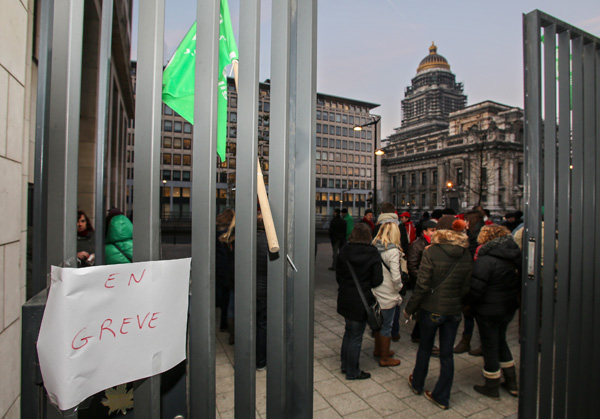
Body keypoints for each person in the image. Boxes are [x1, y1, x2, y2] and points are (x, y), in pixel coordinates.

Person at [403, 217, 473, 410]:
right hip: (453, 310)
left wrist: (410, 309)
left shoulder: (432, 252)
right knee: (447, 354)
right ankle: (442, 396)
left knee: (425, 348)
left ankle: (417, 383)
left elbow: (422, 285)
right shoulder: (466, 254)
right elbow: (466, 287)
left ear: (439, 231)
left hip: (431, 308)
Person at [468, 225, 521, 399]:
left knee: (490, 345)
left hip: (488, 309)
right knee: (501, 340)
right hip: (508, 307)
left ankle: (492, 384)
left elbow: (476, 289)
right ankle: (512, 382)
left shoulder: (486, 260)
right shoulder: (514, 255)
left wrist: (470, 304)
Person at [336, 223, 384, 380]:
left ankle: (345, 364)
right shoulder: (372, 253)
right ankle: (352, 371)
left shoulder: (344, 250)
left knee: (348, 332)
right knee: (356, 337)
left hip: (345, 297)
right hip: (362, 300)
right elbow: (377, 280)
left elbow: (338, 276)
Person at [371, 218, 403, 367]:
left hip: (376, 290)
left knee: (378, 323)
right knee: (387, 325)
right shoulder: (393, 251)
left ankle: (378, 350)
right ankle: (384, 357)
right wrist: (399, 287)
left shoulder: (374, 247)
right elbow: (396, 276)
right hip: (389, 292)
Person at [406, 219, 437, 343]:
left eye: (436, 230)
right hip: (421, 283)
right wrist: (422, 280)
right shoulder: (417, 244)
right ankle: (419, 335)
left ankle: (417, 334)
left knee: (425, 310)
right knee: (423, 309)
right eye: (432, 230)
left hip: (429, 282)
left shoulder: (434, 244)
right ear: (424, 231)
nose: (434, 233)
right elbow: (412, 266)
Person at [218, 211, 236, 344]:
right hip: (233, 272)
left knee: (228, 302)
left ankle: (228, 329)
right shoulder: (233, 237)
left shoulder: (221, 235)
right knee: (232, 302)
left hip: (225, 272)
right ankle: (233, 332)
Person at [256, 212, 269, 370]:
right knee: (262, 325)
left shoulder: (247, 240)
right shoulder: (272, 242)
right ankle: (260, 361)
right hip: (265, 290)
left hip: (249, 289)